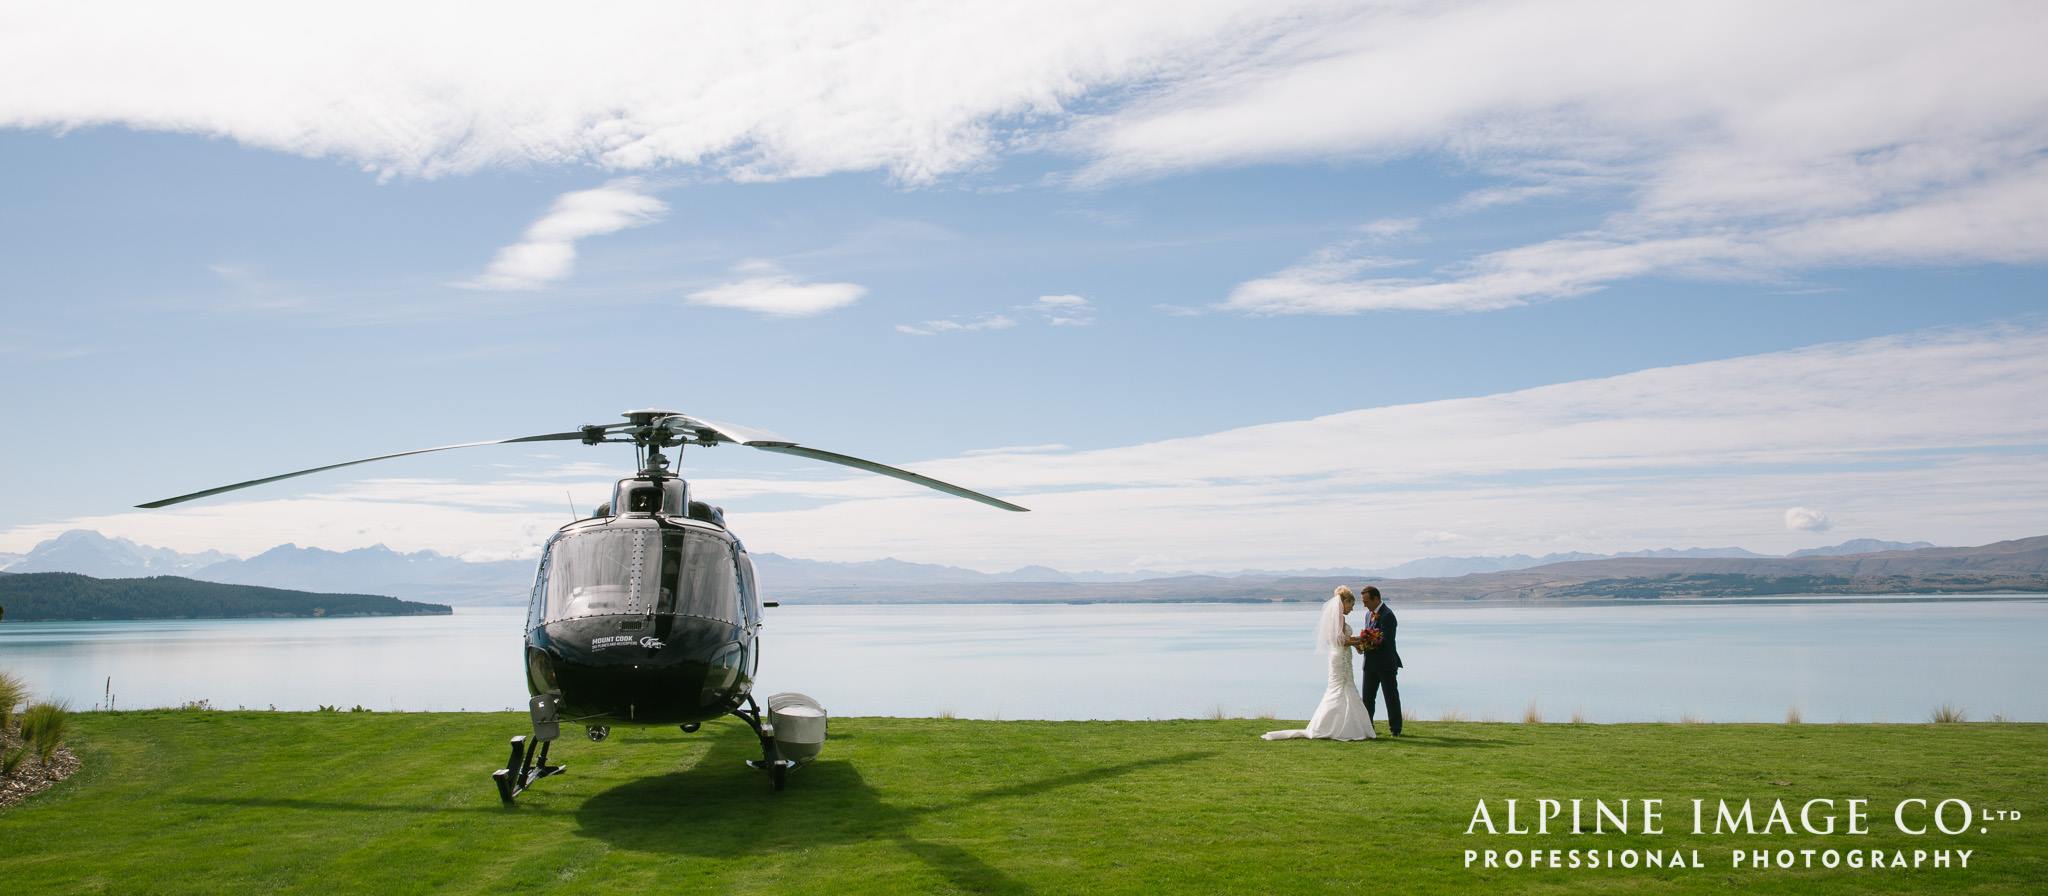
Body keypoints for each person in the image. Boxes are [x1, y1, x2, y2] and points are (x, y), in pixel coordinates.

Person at [1262, 587, 1374, 741]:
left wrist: (1356, 642)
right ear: (1345, 602)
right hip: (1340, 656)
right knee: (1341, 688)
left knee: (1339, 688)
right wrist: (1360, 640)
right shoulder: (1339, 617)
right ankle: (1339, 728)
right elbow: (1340, 640)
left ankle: (1334, 725)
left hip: (1338, 655)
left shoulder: (1335, 618)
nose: (1352, 609)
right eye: (1351, 605)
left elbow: (1338, 639)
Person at [1358, 585, 1403, 736]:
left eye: (1366, 601)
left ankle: (1395, 729)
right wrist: (1362, 643)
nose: (1364, 604)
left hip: (1386, 664)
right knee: (1367, 699)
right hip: (1370, 665)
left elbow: (1386, 641)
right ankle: (1368, 728)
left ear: (1376, 599)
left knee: (1391, 698)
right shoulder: (1367, 615)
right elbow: (1368, 635)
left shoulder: (1388, 615)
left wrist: (1366, 642)